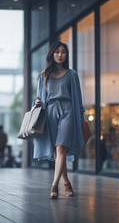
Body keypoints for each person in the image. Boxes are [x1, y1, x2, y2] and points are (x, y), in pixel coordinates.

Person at [34, 41, 86, 199]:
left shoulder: (72, 74)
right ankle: (66, 182)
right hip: (50, 112)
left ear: (66, 55)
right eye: (57, 52)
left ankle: (54, 185)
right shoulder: (44, 75)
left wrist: (82, 118)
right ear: (51, 54)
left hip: (67, 112)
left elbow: (78, 99)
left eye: (63, 52)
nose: (60, 55)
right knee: (57, 152)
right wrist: (37, 102)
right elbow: (38, 97)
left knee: (61, 148)